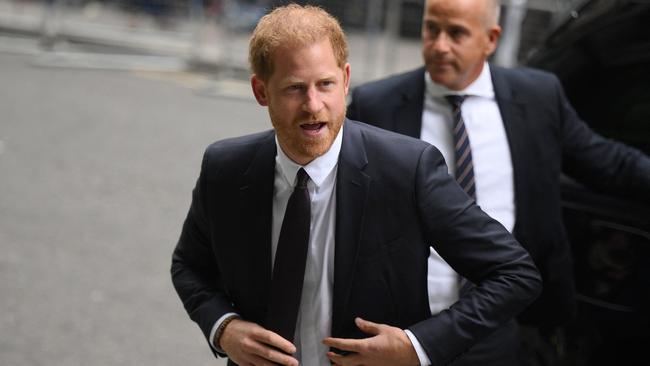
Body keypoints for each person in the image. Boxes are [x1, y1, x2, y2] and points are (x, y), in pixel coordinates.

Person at [171, 4, 542, 366]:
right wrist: (224, 328)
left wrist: (419, 347)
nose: (313, 105)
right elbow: (189, 266)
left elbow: (514, 273)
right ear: (260, 91)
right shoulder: (225, 168)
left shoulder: (407, 169)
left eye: (326, 85)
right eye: (295, 88)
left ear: (346, 80)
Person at [347, 0, 650, 364]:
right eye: (432, 29)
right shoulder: (377, 105)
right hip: (404, 330)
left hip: (499, 326)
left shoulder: (538, 98)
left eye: (456, 33)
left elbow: (609, 163)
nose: (440, 45)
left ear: (491, 39)